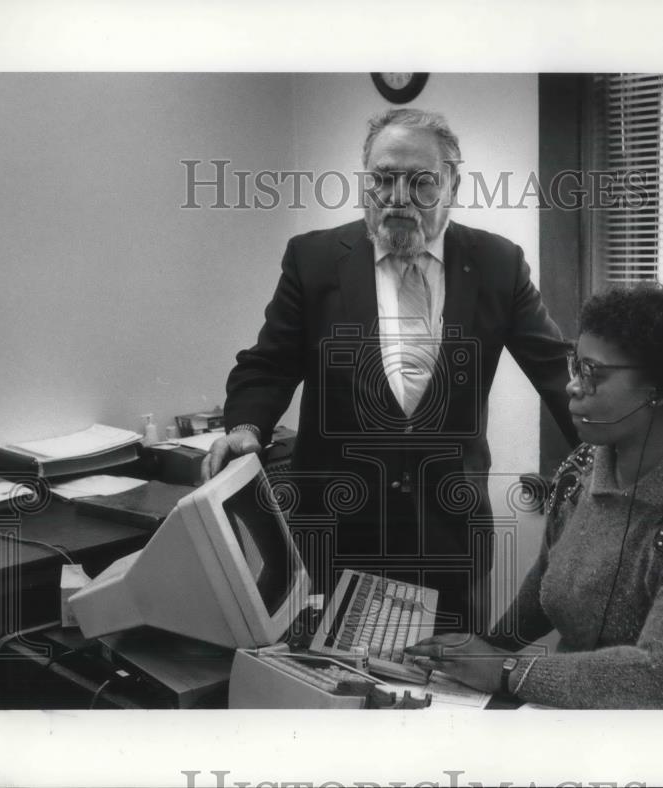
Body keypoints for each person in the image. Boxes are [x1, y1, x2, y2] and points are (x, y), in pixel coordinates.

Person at [202, 108, 577, 634]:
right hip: (336, 539)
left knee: (445, 697)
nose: (397, 197)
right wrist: (245, 428)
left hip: (447, 541)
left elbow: (559, 372)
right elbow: (268, 363)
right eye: (383, 179)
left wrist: (617, 456)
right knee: (334, 696)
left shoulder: (497, 263)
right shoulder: (313, 260)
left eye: (420, 181)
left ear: (452, 184)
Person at [407, 283, 663, 709]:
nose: (573, 386)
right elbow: (545, 587)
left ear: (660, 389)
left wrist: (505, 671)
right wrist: (474, 654)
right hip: (592, 709)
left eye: (595, 373)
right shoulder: (583, 465)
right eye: (576, 366)